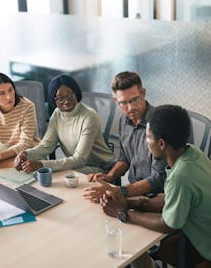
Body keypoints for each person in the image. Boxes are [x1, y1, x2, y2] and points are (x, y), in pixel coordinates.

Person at [101, 105, 211, 268]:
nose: (145, 142)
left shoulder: (181, 176)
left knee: (143, 247)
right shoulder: (193, 153)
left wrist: (123, 214)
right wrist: (128, 203)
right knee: (160, 249)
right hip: (199, 230)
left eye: (147, 137)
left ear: (161, 144)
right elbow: (171, 198)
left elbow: (167, 224)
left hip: (206, 249)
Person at [83, 71, 167, 202]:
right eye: (124, 103)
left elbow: (158, 179)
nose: (131, 107)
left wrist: (119, 191)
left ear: (143, 93)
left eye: (135, 100)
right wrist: (109, 176)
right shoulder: (124, 120)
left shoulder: (159, 124)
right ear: (115, 101)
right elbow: (125, 159)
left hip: (157, 198)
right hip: (132, 192)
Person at [14, 74, 114, 174]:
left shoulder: (89, 116)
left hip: (100, 167)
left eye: (70, 96)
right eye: (61, 99)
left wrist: (41, 164)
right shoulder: (57, 114)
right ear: (55, 101)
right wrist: (26, 154)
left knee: (57, 176)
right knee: (47, 176)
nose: (66, 102)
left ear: (76, 93)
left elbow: (79, 159)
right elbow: (46, 146)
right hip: (77, 166)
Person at [0, 73, 40, 164]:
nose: (9, 96)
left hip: (28, 151)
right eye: (2, 93)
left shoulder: (27, 106)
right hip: (3, 149)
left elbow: (25, 143)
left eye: (10, 90)